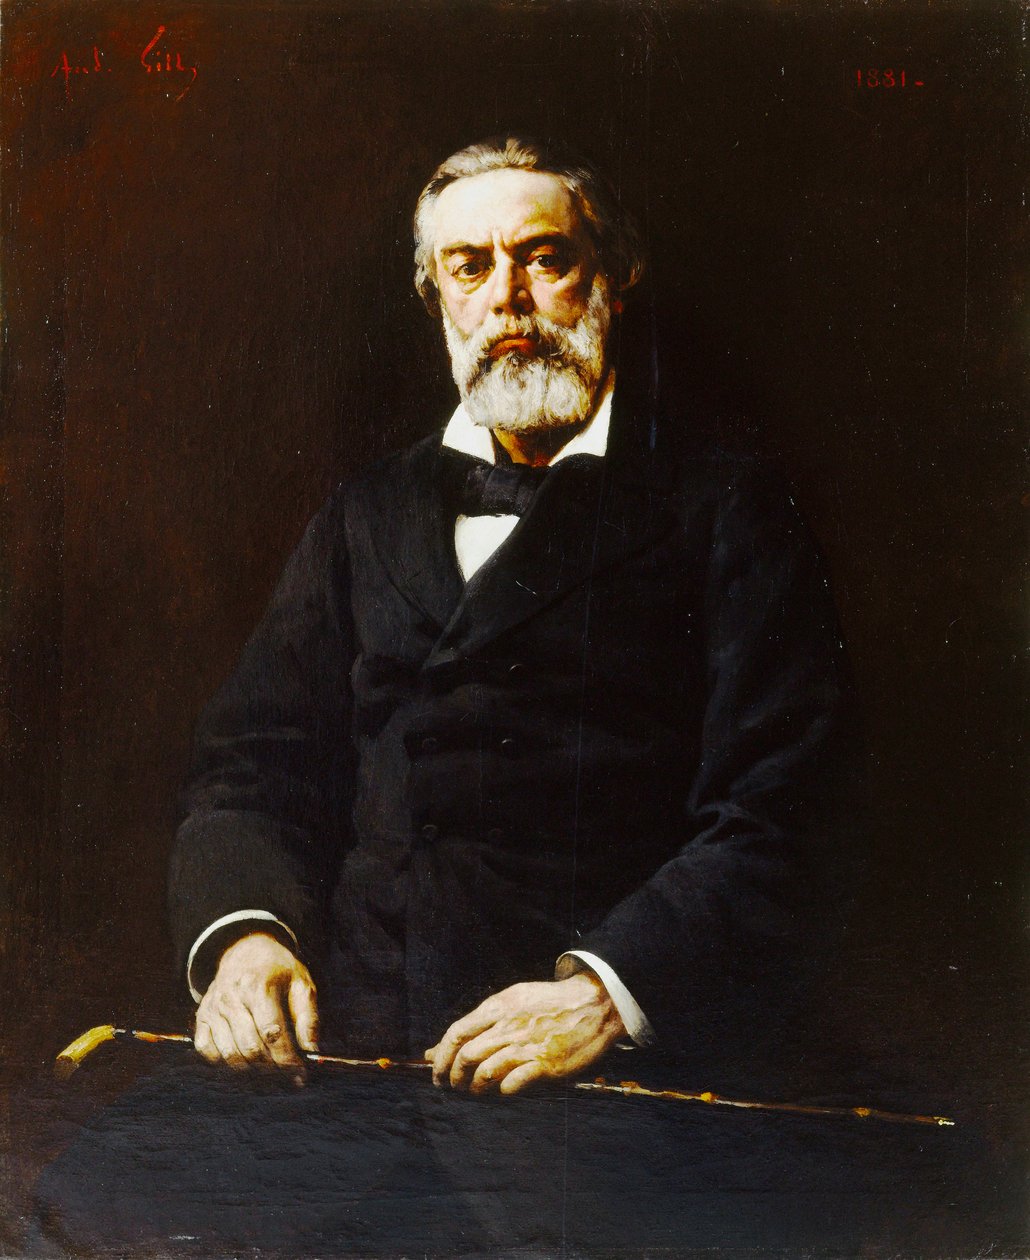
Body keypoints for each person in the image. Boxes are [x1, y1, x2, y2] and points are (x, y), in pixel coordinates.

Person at [37, 135, 975, 1258]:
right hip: (341, 1069)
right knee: (72, 1217)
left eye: (545, 259)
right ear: (437, 297)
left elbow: (790, 811)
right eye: (470, 267)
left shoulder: (727, 507)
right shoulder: (366, 513)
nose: (509, 299)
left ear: (609, 279)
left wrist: (605, 993)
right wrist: (246, 938)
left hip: (597, 1092)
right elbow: (251, 766)